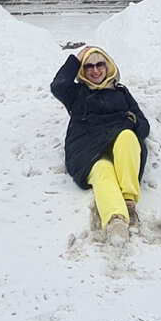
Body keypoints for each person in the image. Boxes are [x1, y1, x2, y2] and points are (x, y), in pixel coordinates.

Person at [50, 45, 151, 245]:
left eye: (99, 65)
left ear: (107, 66)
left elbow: (144, 127)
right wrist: (76, 59)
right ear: (83, 70)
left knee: (127, 138)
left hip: (119, 145)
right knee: (102, 170)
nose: (95, 70)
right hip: (86, 148)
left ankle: (128, 203)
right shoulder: (76, 93)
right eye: (88, 66)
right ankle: (116, 221)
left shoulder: (121, 93)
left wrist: (131, 122)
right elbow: (58, 86)